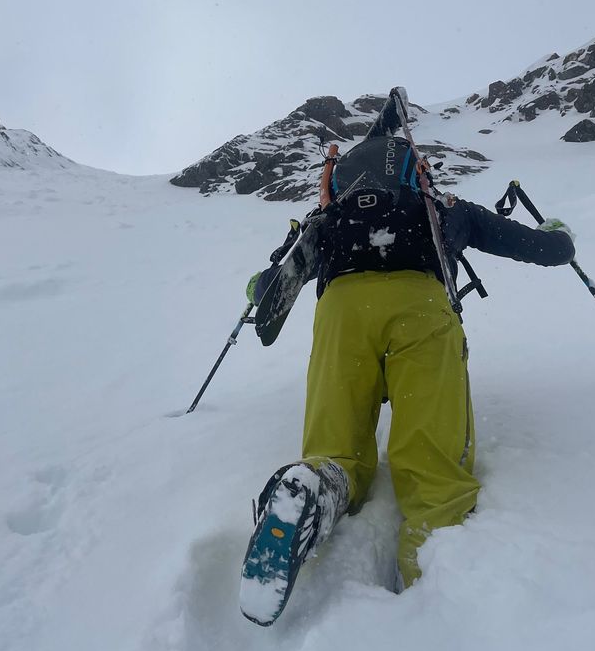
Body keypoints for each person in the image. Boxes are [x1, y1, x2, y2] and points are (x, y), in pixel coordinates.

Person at [239, 132, 576, 626]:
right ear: (418, 172)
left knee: (336, 448)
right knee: (433, 467)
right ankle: (432, 597)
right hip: (421, 308)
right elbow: (548, 249)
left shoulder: (330, 217)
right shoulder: (443, 209)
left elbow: (270, 286)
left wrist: (257, 283)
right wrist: (558, 231)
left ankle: (321, 483)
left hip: (342, 315)